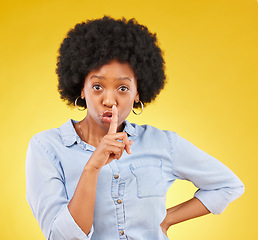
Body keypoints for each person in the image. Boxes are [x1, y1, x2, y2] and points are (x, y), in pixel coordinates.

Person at [25, 16, 245, 240]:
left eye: (122, 88)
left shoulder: (161, 143)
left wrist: (167, 218)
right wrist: (92, 167)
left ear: (138, 93)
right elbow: (60, 237)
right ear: (81, 89)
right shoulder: (47, 148)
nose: (109, 100)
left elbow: (227, 185)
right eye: (97, 86)